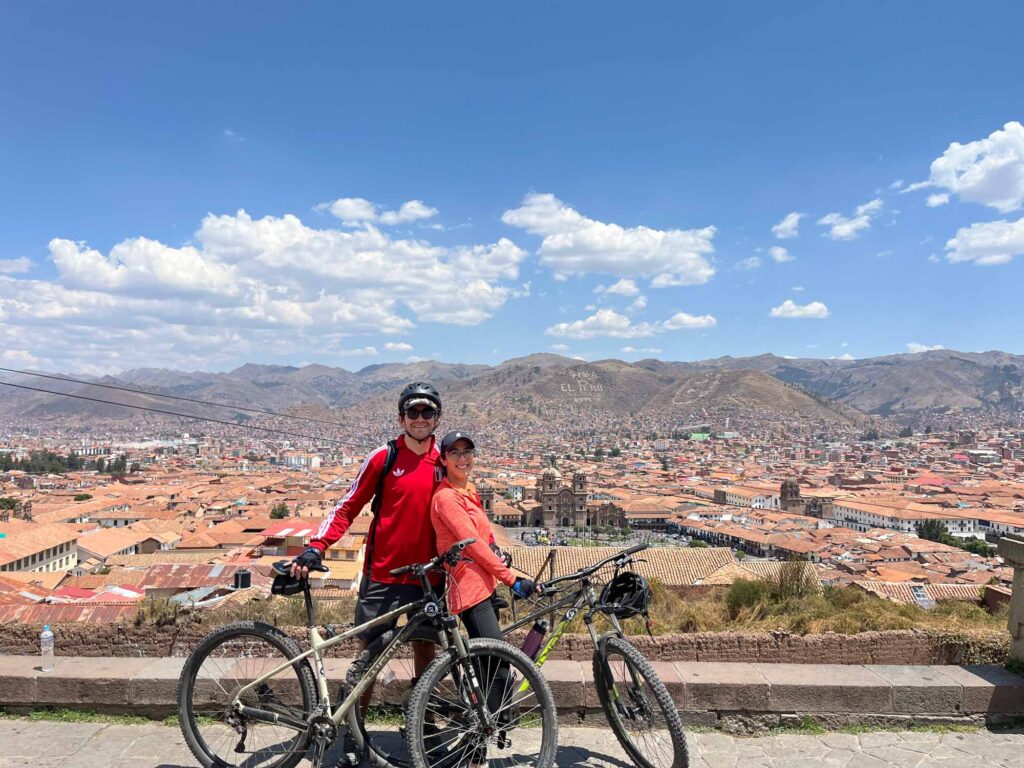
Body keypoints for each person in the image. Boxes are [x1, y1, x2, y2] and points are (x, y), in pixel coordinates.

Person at [291, 381, 444, 764]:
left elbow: (465, 509)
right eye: (414, 412)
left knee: (429, 653)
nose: (421, 418)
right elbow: (347, 506)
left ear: (438, 417)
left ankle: (423, 726)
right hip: (384, 576)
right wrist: (317, 546)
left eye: (428, 411)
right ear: (401, 418)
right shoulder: (384, 457)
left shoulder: (446, 459)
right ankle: (353, 740)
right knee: (369, 661)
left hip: (430, 577)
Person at [430, 430, 538, 768]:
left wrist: (498, 551)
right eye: (455, 453)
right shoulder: (446, 498)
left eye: (468, 452)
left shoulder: (468, 490)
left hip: (485, 584)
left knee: (492, 668)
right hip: (468, 589)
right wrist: (512, 578)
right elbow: (470, 542)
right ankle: (475, 748)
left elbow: (485, 533)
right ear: (444, 459)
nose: (463, 459)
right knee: (496, 668)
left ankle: (482, 741)